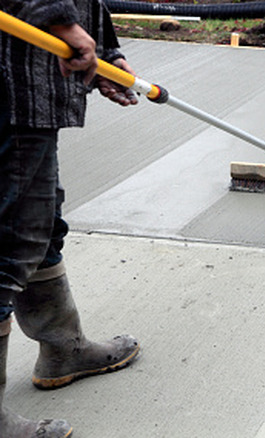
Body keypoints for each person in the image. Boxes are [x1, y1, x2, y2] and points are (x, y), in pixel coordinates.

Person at [0, 0, 141, 436]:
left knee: (41, 228)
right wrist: (60, 22)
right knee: (9, 244)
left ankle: (62, 347)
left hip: (36, 85)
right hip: (12, 87)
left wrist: (104, 53)